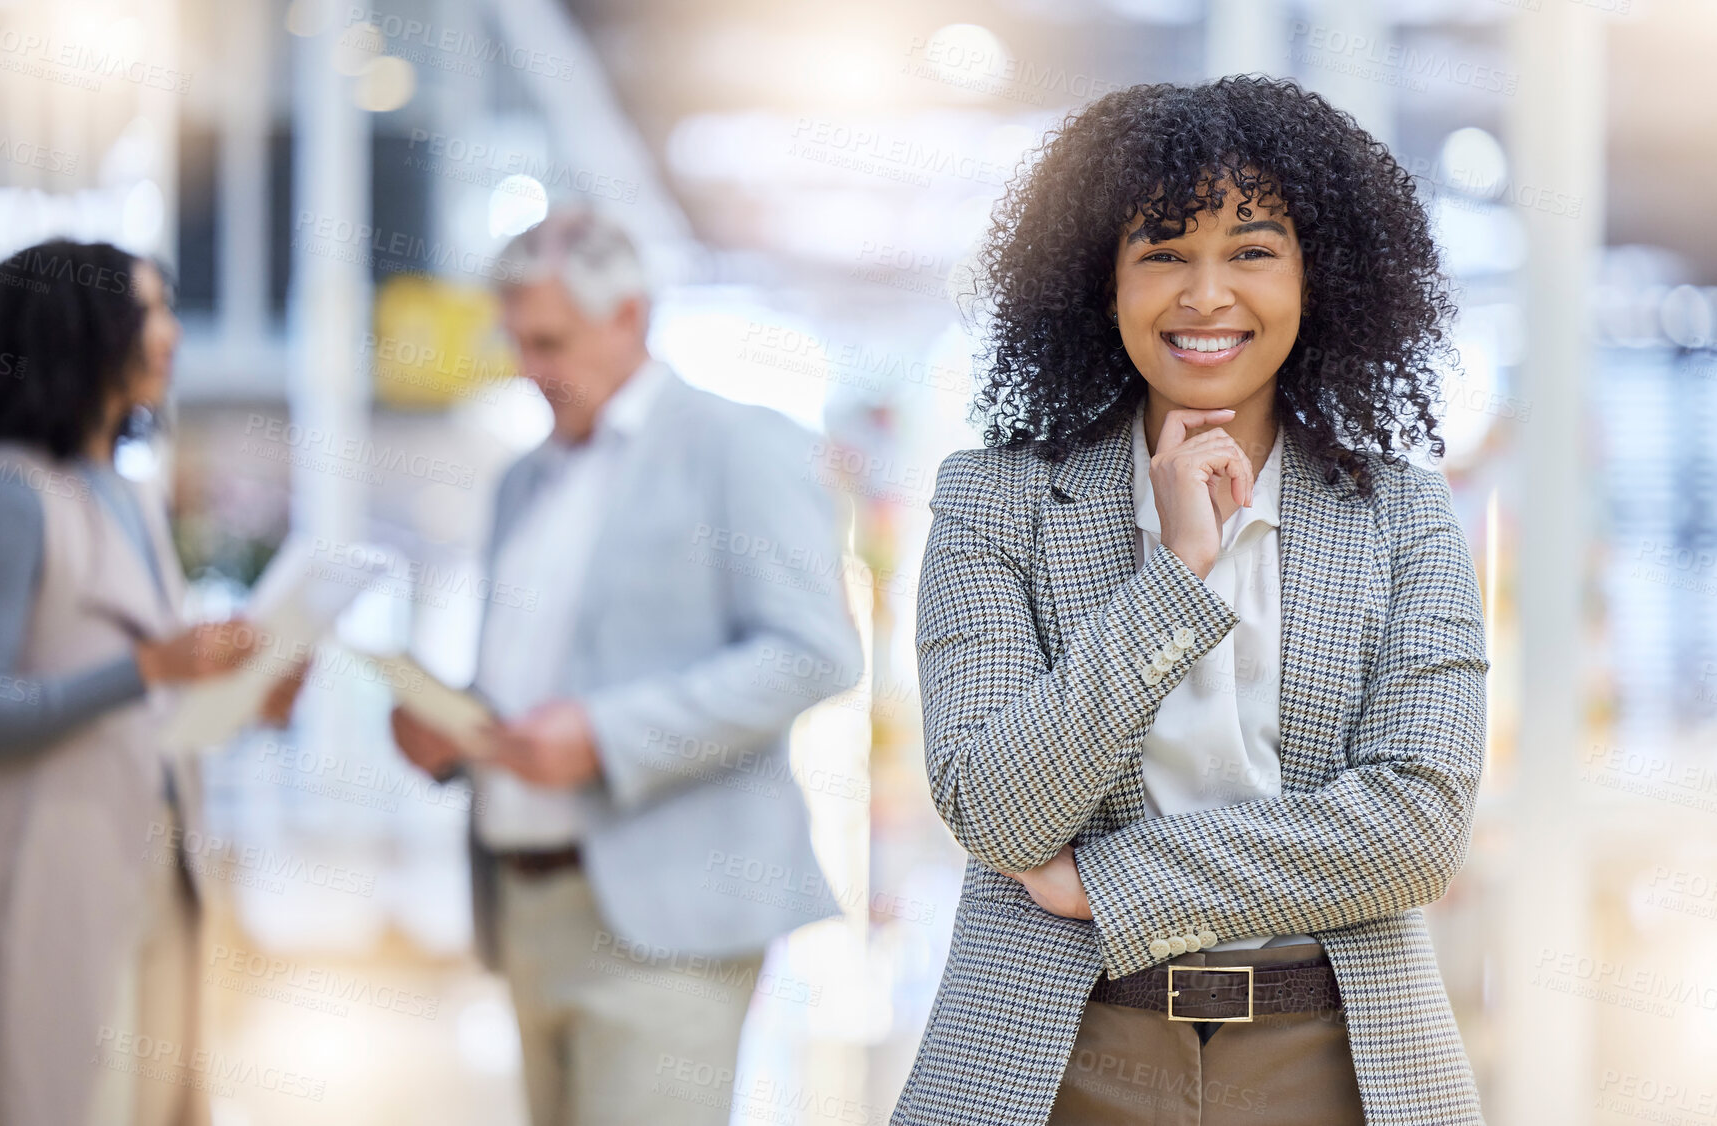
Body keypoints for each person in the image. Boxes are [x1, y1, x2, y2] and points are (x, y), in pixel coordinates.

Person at [894, 76, 1488, 1126]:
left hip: (1333, 1056)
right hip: (1056, 1052)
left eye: (1251, 251)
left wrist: (1109, 884)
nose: (1205, 295)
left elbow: (1414, 830)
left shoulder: (1401, 514)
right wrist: (1175, 576)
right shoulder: (993, 500)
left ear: (1320, 278)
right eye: (1162, 252)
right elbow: (993, 806)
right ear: (1098, 281)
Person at [389, 205, 865, 1126]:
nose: (530, 368)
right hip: (526, 904)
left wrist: (606, 738)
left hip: (670, 915)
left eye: (551, 341)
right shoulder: (523, 481)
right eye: (517, 342)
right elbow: (535, 680)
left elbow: (814, 653)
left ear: (630, 319)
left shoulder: (739, 445)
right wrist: (455, 730)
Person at [0, 240, 302, 1126]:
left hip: (153, 871)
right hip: (39, 881)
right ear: (78, 334)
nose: (172, 336)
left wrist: (243, 696)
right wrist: (148, 666)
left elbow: (145, 705)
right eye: (150, 313)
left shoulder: (130, 495)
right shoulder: (7, 499)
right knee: (51, 1093)